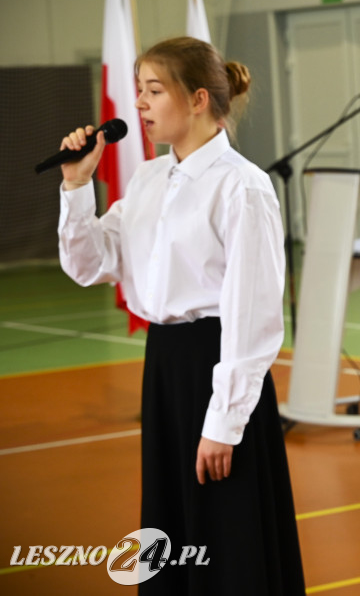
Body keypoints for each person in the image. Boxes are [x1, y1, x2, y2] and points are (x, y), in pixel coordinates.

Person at [56, 36, 305, 594]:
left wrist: (224, 422)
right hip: (165, 365)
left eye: (152, 90)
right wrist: (76, 185)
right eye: (137, 91)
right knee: (171, 527)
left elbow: (254, 317)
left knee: (228, 530)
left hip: (220, 368)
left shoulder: (242, 186)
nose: (138, 104)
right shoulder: (148, 180)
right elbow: (91, 265)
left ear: (197, 99)